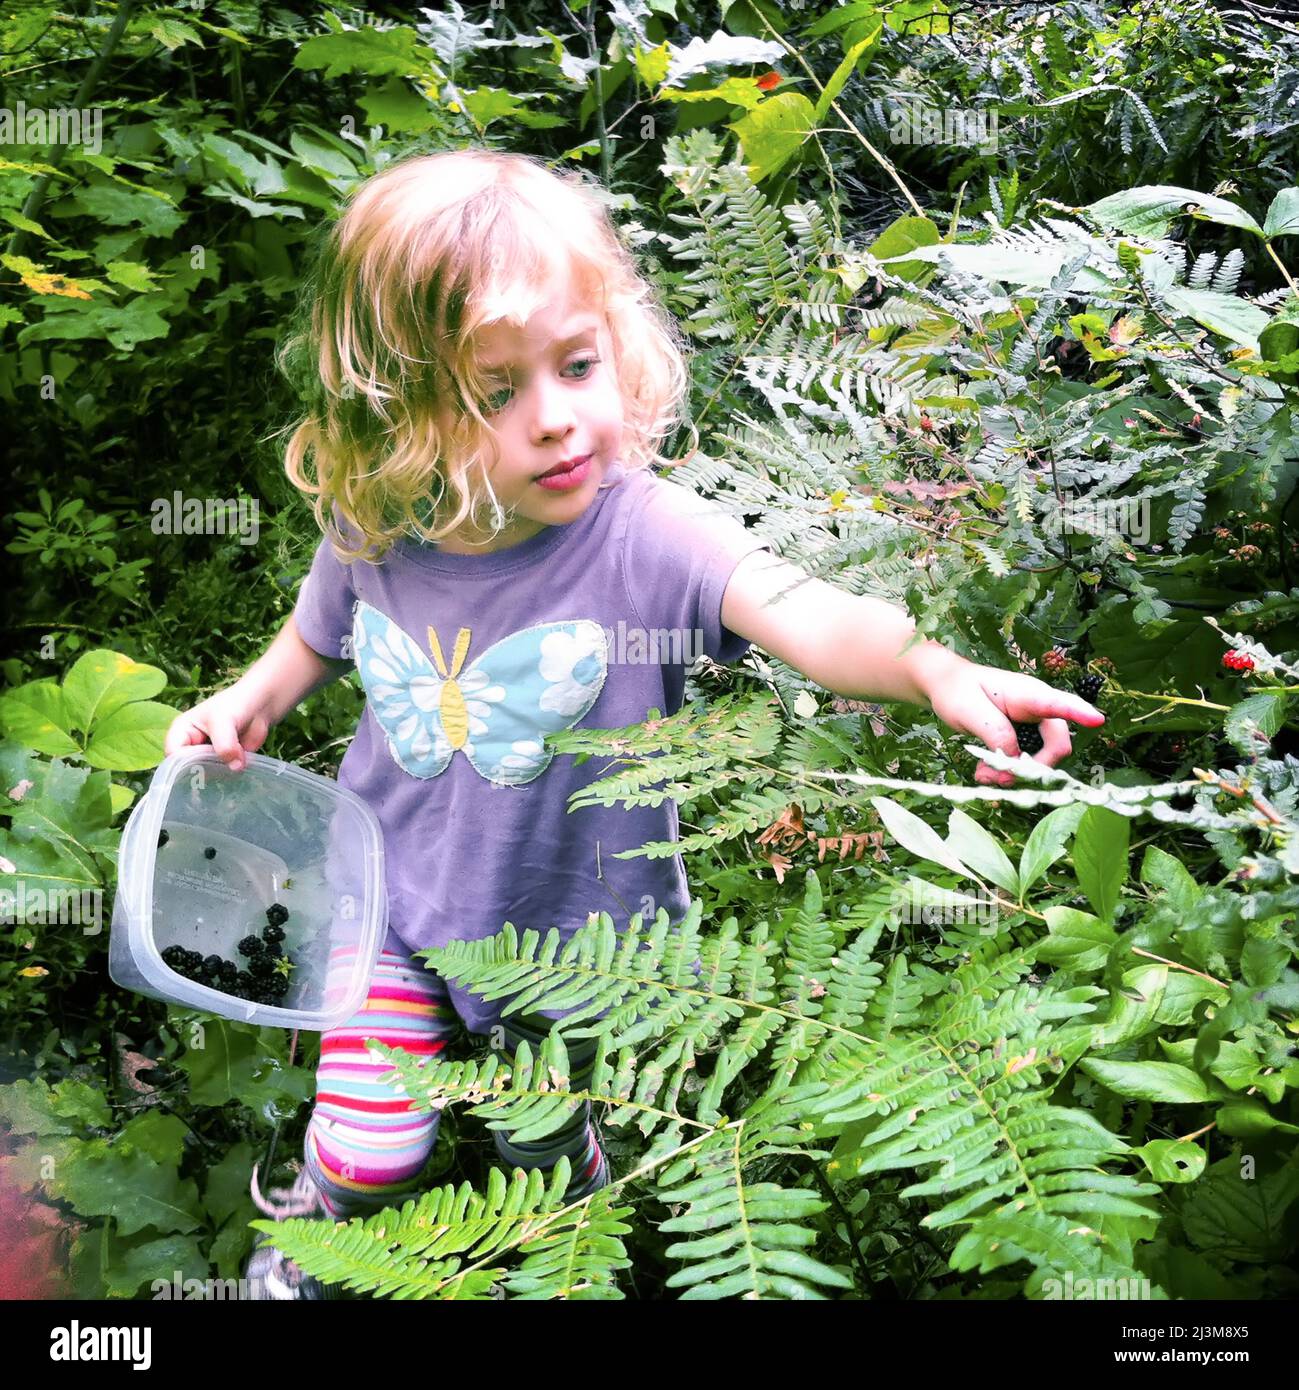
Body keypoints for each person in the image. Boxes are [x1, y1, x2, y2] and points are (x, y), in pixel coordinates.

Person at [163, 148, 1104, 1300]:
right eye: (493, 392)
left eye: (577, 364)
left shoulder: (644, 533)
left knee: (542, 1161)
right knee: (372, 1150)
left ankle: (555, 1241)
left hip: (584, 941)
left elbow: (804, 610)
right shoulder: (381, 527)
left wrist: (934, 667)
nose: (557, 421)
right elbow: (317, 635)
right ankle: (316, 1236)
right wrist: (250, 702)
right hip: (393, 898)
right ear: (399, 413)